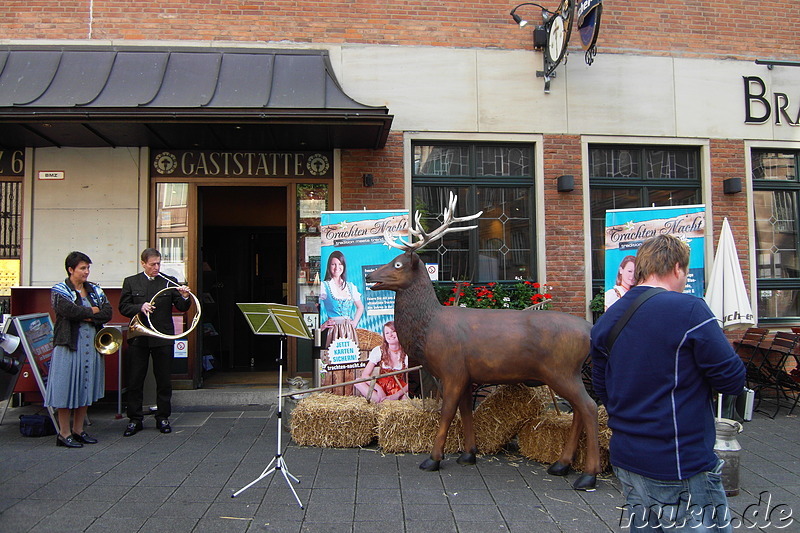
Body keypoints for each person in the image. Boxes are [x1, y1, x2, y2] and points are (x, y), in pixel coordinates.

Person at [591, 234, 745, 532]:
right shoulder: (690, 310)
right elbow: (733, 380)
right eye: (685, 273)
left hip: (626, 457)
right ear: (677, 268)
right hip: (679, 462)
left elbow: (603, 389)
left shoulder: (608, 318)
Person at [119, 248, 191, 436]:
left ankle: (163, 416)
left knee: (164, 379)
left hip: (162, 336)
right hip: (139, 337)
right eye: (152, 264)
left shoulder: (168, 281)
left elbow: (182, 307)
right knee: (135, 379)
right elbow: (123, 307)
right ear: (143, 263)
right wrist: (139, 307)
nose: (156, 267)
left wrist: (184, 296)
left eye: (159, 263)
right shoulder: (131, 282)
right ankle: (135, 418)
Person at [46, 251, 112, 448]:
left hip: (90, 344)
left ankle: (78, 429)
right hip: (69, 344)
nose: (86, 272)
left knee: (85, 386)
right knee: (65, 387)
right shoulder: (59, 290)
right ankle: (63, 433)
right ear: (70, 269)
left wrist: (88, 315)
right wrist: (93, 311)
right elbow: (69, 311)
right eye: (82, 268)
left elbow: (108, 312)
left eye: (88, 268)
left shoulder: (94, 290)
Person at [354, 321, 409, 402]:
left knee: (406, 397)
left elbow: (413, 381)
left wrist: (397, 395)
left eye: (393, 331)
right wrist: (378, 389)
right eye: (387, 333)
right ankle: (382, 401)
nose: (390, 335)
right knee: (358, 382)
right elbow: (365, 375)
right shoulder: (379, 350)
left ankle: (388, 402)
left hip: (398, 388)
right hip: (381, 385)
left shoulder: (406, 353)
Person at [319, 250, 364, 346]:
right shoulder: (324, 286)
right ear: (329, 266)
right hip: (332, 331)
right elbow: (312, 306)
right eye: (333, 264)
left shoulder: (350, 286)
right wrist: (322, 326)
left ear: (344, 266)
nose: (337, 268)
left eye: (340, 264)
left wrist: (354, 322)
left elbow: (360, 307)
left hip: (348, 330)